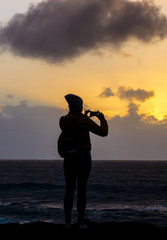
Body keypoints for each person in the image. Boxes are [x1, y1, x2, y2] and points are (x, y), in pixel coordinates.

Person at [59, 94, 108, 229]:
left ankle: (67, 223)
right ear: (80, 106)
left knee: (69, 190)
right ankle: (80, 222)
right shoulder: (84, 121)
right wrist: (102, 118)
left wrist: (83, 118)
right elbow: (103, 132)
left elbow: (72, 131)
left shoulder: (63, 120)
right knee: (82, 190)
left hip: (69, 157)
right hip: (83, 156)